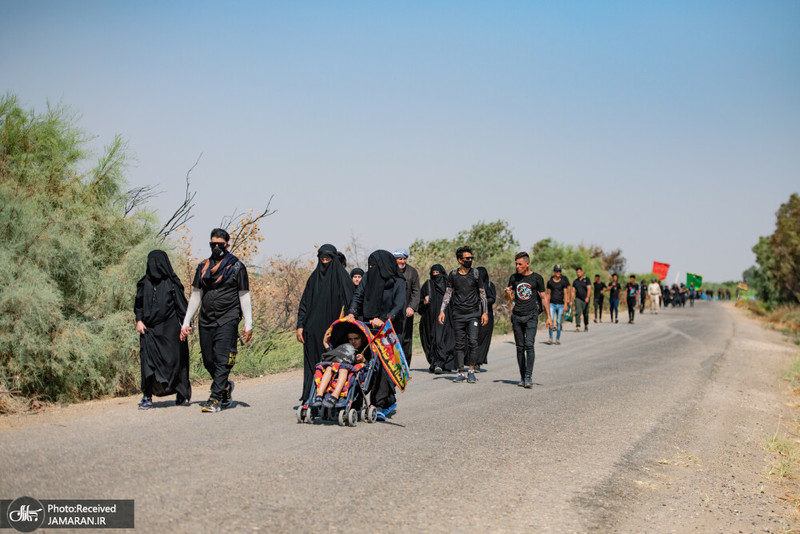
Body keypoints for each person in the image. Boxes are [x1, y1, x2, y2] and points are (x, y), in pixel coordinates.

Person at [180, 228, 253, 413]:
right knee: (208, 360)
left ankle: (215, 398)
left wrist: (248, 323)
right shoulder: (203, 266)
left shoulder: (237, 267)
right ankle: (226, 387)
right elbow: (196, 294)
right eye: (213, 244)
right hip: (206, 319)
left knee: (222, 359)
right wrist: (186, 321)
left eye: (220, 245)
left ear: (227, 245)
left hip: (228, 318)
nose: (217, 248)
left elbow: (244, 295)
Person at [346, 250, 406, 420]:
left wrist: (383, 319)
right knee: (363, 363)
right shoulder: (368, 277)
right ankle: (355, 401)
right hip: (368, 327)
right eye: (369, 266)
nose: (371, 269)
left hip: (389, 329)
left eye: (375, 267)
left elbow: (399, 305)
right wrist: (352, 312)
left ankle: (380, 403)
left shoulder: (398, 282)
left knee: (384, 367)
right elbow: (358, 295)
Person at [296, 244, 354, 404]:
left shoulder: (342, 278)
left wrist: (350, 317)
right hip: (311, 329)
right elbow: (304, 303)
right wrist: (300, 325)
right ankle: (310, 396)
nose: (324, 262)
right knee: (311, 364)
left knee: (330, 364)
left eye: (327, 259)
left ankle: (329, 396)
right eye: (321, 259)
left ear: (334, 259)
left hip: (332, 331)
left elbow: (351, 301)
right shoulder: (313, 278)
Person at [134, 250, 192, 409]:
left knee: (175, 362)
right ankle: (147, 395)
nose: (154, 267)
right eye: (151, 262)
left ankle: (180, 391)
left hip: (170, 331)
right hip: (149, 331)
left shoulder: (172, 283)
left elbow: (182, 307)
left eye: (157, 263)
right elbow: (138, 305)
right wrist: (138, 320)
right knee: (147, 363)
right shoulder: (143, 283)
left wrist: (185, 325)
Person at [438, 246, 488, 385]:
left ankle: (471, 371)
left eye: (471, 258)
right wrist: (442, 310)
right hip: (458, 314)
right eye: (467, 258)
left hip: (473, 314)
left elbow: (482, 294)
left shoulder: (476, 274)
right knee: (459, 345)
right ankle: (461, 372)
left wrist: (485, 312)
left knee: (473, 341)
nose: (470, 260)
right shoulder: (453, 275)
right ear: (460, 260)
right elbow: (448, 293)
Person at [505, 252, 552, 389]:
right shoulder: (513, 278)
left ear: (527, 264)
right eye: (516, 264)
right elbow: (509, 299)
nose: (517, 266)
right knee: (520, 347)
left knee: (529, 345)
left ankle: (528, 376)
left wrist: (549, 317)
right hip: (517, 316)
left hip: (531, 315)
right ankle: (522, 376)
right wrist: (507, 295)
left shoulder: (536, 278)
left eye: (520, 264)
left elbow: (543, 298)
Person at [312, 327, 369, 409]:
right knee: (329, 367)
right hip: (335, 371)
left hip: (348, 372)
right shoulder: (345, 348)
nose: (353, 342)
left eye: (356, 338)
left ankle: (334, 396)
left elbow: (368, 365)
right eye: (350, 339)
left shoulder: (365, 350)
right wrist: (325, 343)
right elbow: (332, 355)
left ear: (362, 338)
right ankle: (319, 395)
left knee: (343, 368)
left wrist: (363, 360)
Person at [418, 264, 456, 373]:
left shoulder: (448, 286)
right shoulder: (428, 285)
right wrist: (424, 302)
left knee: (441, 340)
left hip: (446, 318)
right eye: (433, 273)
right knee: (430, 341)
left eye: (437, 273)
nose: (435, 275)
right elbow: (419, 303)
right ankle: (434, 363)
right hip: (429, 319)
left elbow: (454, 300)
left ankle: (442, 362)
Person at [393, 249, 420, 366]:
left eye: (404, 258)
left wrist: (412, 307)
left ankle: (405, 366)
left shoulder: (412, 272)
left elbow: (416, 292)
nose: (402, 261)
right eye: (400, 259)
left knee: (406, 339)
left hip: (406, 312)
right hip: (392, 312)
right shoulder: (390, 271)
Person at [475, 266, 496, 370]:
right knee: (473, 338)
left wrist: (482, 302)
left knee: (483, 339)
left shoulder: (489, 285)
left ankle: (478, 362)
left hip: (487, 315)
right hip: (474, 314)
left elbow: (493, 298)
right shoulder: (473, 285)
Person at [546, 264, 570, 345]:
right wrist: (547, 305)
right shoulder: (550, 282)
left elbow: (566, 294)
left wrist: (566, 304)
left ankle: (557, 339)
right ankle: (550, 338)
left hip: (561, 305)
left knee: (559, 322)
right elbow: (548, 294)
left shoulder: (563, 282)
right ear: (554, 272)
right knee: (551, 320)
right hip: (552, 304)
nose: (558, 273)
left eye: (559, 271)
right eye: (557, 271)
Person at [571, 267, 592, 332]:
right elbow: (573, 291)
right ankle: (578, 326)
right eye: (577, 272)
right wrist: (571, 300)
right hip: (578, 299)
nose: (578, 273)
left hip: (585, 299)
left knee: (585, 313)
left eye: (579, 272)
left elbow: (589, 289)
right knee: (578, 312)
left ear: (582, 272)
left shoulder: (587, 279)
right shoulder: (575, 281)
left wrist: (587, 297)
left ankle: (586, 325)